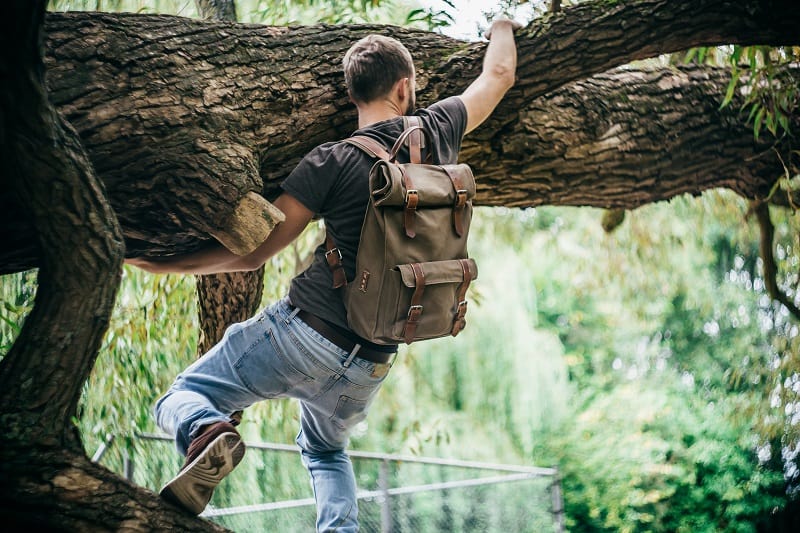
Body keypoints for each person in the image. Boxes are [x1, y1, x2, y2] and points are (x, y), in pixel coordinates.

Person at [127, 18, 520, 531]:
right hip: (374, 360)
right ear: (405, 87)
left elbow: (251, 254)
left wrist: (164, 264)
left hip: (303, 334)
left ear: (352, 93)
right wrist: (502, 24)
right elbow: (500, 74)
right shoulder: (441, 128)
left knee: (181, 395)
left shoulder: (330, 161)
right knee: (325, 449)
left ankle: (205, 431)